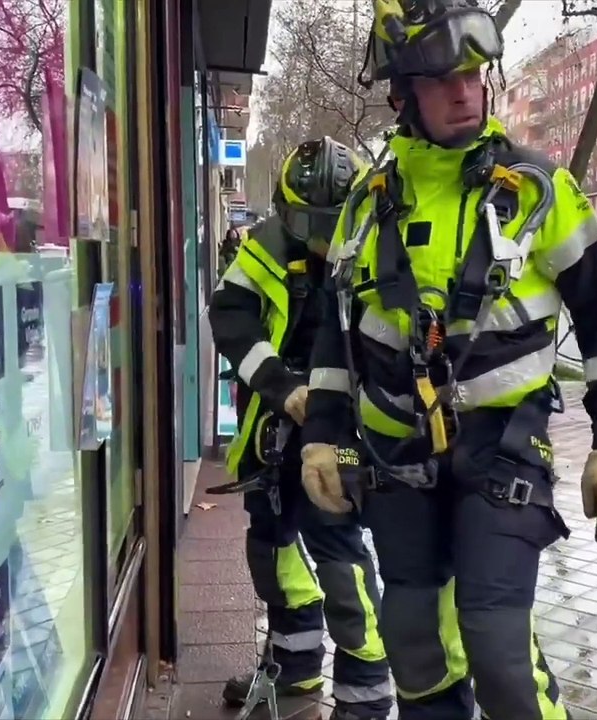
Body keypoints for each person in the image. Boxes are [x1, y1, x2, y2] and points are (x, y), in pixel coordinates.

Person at [298, 2, 597, 718]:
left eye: (473, 75)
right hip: (396, 453)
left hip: (502, 447)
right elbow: (335, 334)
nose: (464, 92)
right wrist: (322, 437)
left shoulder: (537, 191)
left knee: (497, 647)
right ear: (403, 95)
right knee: (412, 638)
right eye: (440, 79)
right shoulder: (367, 203)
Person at [207, 137, 392, 720]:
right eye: (307, 222)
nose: (320, 237)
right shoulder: (262, 248)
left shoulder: (375, 252)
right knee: (273, 553)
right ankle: (294, 674)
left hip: (341, 436)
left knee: (340, 563)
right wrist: (283, 389)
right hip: (275, 431)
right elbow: (230, 315)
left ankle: (364, 696)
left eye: (329, 223)